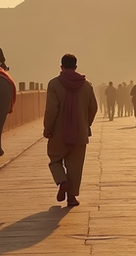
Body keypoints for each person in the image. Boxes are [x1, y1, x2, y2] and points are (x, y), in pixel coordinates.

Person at [43, 53, 97, 207]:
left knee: (54, 159)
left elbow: (52, 109)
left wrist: (48, 128)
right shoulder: (87, 85)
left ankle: (62, 180)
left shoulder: (54, 84)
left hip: (59, 133)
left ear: (61, 66)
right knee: (76, 166)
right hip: (80, 133)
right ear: (76, 67)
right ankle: (71, 198)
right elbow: (93, 107)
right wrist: (86, 125)